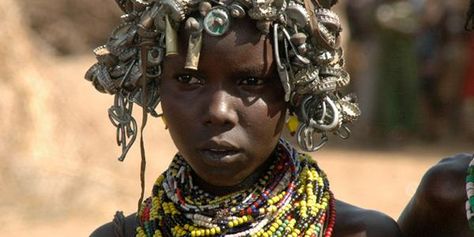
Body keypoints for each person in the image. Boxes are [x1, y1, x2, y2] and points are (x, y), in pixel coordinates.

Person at [85, 0, 402, 236]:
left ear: (295, 91)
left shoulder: (359, 233)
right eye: (188, 80)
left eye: (251, 82)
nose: (218, 112)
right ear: (155, 87)